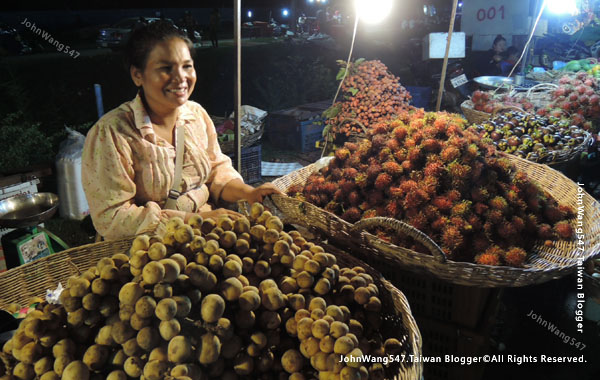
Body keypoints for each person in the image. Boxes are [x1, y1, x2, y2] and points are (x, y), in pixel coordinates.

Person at [82, 21, 280, 240]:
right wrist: (196, 221)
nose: (181, 78)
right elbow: (113, 217)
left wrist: (250, 193)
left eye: (187, 66)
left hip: (209, 239)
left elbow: (217, 170)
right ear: (137, 75)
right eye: (166, 68)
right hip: (150, 254)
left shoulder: (196, 116)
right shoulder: (112, 133)